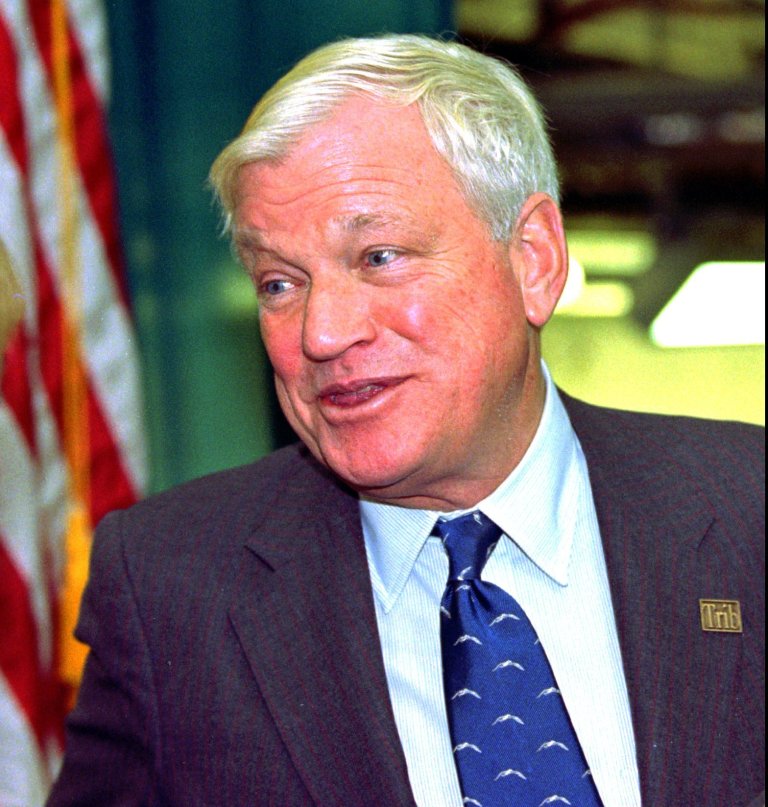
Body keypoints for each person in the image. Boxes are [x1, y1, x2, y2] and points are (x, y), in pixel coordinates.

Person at [46, 34, 764, 807]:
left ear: (533, 259)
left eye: (379, 257)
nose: (322, 333)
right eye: (280, 282)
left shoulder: (745, 510)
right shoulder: (172, 590)